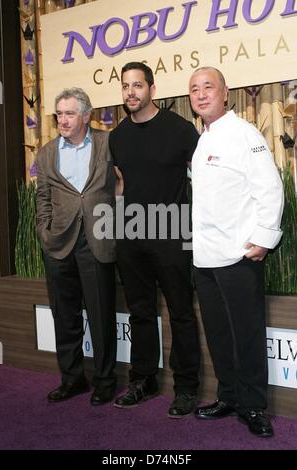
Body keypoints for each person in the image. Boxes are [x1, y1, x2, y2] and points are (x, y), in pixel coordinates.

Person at [189, 67, 284, 437]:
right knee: (219, 335)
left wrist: (264, 237)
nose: (200, 95)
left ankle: (254, 406)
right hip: (206, 259)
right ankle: (228, 396)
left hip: (239, 256)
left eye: (208, 87)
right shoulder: (203, 139)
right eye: (194, 89)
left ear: (225, 93)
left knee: (246, 334)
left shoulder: (245, 134)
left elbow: (270, 188)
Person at [109, 62, 200, 418]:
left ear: (152, 89)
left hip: (173, 233)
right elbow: (121, 185)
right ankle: (142, 380)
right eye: (125, 86)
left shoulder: (181, 130)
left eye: (137, 85)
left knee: (181, 313)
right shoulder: (118, 136)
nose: (131, 92)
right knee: (140, 312)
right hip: (131, 236)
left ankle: (187, 389)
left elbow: (203, 180)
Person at [36, 87, 117, 406]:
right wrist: (44, 230)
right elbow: (42, 196)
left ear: (86, 116)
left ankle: (105, 381)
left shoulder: (107, 142)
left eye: (70, 113)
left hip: (97, 240)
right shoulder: (45, 153)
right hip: (58, 244)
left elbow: (122, 181)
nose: (63, 119)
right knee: (64, 315)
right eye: (59, 114)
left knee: (101, 315)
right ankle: (72, 379)